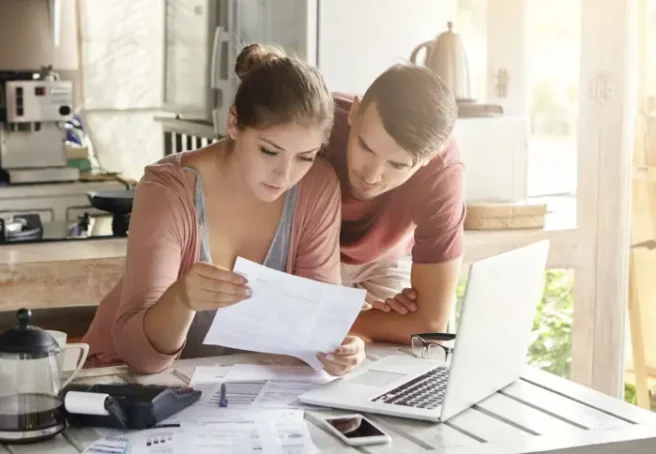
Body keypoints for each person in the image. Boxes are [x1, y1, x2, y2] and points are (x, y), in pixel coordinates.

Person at [82, 44, 366, 376]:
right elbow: (141, 360)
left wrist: (337, 349)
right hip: (124, 384)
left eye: (304, 157)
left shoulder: (317, 186)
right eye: (269, 151)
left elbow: (314, 326)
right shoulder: (168, 190)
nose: (285, 174)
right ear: (233, 123)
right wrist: (181, 299)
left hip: (230, 391)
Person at [323, 64, 465, 345]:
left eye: (398, 165)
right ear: (353, 112)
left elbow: (430, 324)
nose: (371, 176)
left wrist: (331, 319)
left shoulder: (443, 170)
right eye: (365, 147)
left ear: (429, 159)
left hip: (383, 261)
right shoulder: (317, 120)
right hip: (306, 254)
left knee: (409, 355)